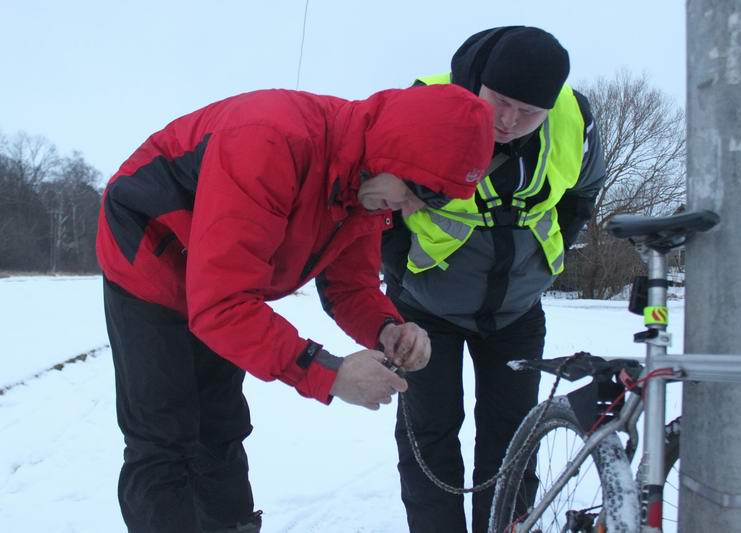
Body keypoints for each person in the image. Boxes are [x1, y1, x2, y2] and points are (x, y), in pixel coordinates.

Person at [95, 83, 494, 533]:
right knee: (165, 438)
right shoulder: (271, 141)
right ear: (395, 153)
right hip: (150, 257)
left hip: (222, 282)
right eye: (419, 189)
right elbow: (221, 303)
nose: (411, 208)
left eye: (433, 200)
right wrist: (330, 372)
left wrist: (389, 329)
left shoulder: (365, 188)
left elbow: (349, 287)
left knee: (220, 425)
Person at [381, 26, 608, 533]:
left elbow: (583, 191)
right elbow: (376, 199)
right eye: (499, 102)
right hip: (425, 306)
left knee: (512, 441)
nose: (509, 121)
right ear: (479, 81)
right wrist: (396, 267)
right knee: (429, 436)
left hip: (515, 312)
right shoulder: (424, 106)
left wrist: (544, 259)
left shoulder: (578, 121)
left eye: (528, 111)